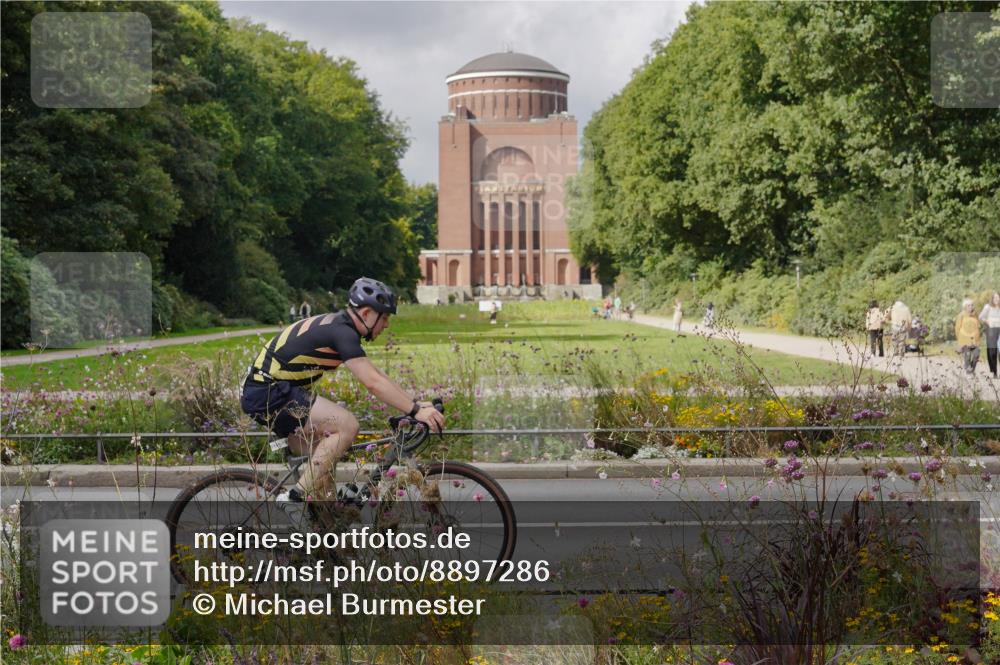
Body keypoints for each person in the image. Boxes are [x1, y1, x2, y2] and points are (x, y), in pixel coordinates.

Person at [240, 277, 445, 525]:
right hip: (269, 392)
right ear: (367, 313)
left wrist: (415, 405)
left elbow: (377, 374)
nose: (387, 324)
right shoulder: (342, 331)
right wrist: (415, 411)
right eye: (385, 317)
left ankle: (322, 540)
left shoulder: (341, 326)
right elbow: (372, 383)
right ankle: (294, 500)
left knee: (325, 463)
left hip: (273, 391)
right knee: (347, 425)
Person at [955, 298, 982, 374]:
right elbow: (957, 328)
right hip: (964, 340)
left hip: (975, 340)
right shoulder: (961, 315)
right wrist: (959, 340)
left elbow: (978, 326)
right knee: (967, 356)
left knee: (976, 355)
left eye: (972, 305)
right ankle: (968, 370)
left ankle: (971, 370)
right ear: (965, 307)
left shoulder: (975, 315)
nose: (971, 307)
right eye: (968, 305)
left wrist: (978, 338)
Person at [979, 291, 1000, 378]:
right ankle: (994, 371)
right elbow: (981, 317)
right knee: (992, 352)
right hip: (991, 331)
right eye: (995, 297)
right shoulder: (988, 307)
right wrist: (988, 321)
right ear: (992, 299)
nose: (997, 299)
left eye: (998, 297)